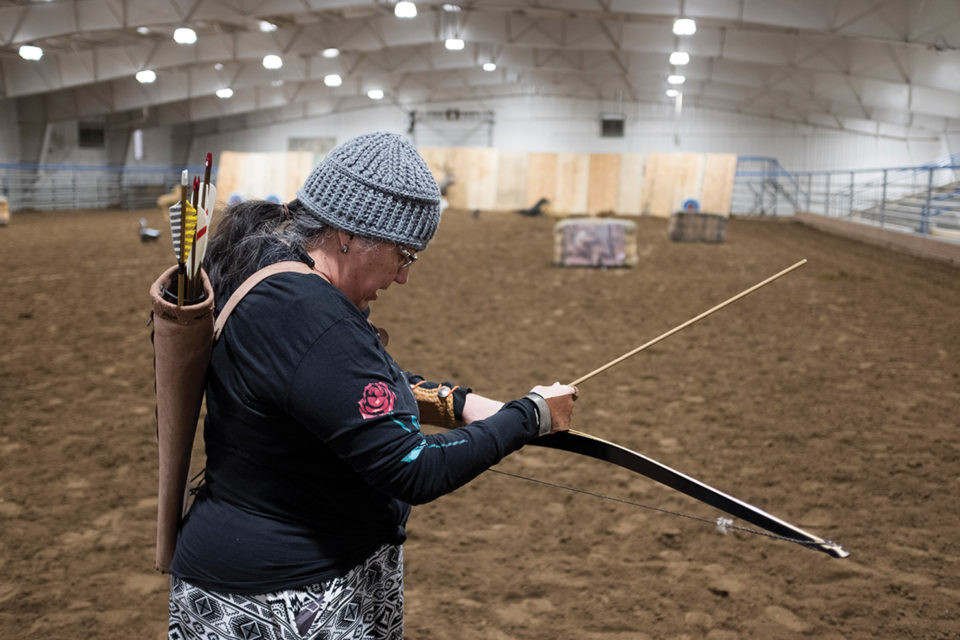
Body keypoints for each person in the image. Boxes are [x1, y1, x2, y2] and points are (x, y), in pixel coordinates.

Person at [167, 131, 578, 639]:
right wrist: (528, 415)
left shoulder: (278, 273)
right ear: (353, 236)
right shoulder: (307, 315)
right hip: (284, 599)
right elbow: (413, 469)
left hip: (283, 577)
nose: (403, 277)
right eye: (404, 255)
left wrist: (461, 404)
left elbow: (344, 385)